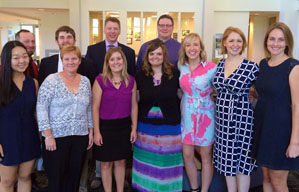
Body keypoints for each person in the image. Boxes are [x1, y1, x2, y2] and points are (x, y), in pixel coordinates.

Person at [36, 45, 93, 192]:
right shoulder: (52, 80)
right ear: (62, 60)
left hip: (80, 136)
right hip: (55, 137)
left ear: (80, 61)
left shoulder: (85, 81)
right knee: (56, 179)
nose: (70, 62)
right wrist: (47, 135)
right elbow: (41, 107)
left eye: (74, 58)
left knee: (74, 177)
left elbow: (90, 107)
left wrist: (90, 131)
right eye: (66, 59)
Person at [252, 22, 299, 191]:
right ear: (266, 41)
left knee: (278, 181)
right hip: (263, 127)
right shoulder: (263, 64)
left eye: (280, 40)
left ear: (287, 43)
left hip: (281, 131)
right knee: (266, 178)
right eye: (272, 39)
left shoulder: (293, 66)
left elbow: (297, 105)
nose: (275, 43)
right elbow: (262, 93)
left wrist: (295, 142)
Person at [132, 39, 183, 192]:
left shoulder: (174, 73)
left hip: (170, 128)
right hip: (145, 129)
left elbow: (182, 96)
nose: (155, 57)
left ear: (164, 55)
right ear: (147, 56)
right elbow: (135, 101)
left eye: (159, 54)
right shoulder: (140, 75)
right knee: (147, 163)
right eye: (152, 54)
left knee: (167, 163)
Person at [212, 27, 259, 191]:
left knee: (242, 161)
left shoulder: (251, 66)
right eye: (231, 40)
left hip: (242, 118)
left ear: (243, 44)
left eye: (239, 41)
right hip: (222, 120)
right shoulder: (219, 64)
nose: (235, 44)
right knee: (227, 161)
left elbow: (263, 91)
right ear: (224, 43)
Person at [92, 47, 137, 192]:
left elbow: (134, 106)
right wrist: (96, 132)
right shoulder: (100, 81)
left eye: (119, 58)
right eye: (112, 59)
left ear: (123, 61)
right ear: (107, 63)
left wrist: (134, 128)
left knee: (121, 162)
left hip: (123, 127)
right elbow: (94, 108)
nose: (116, 62)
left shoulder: (131, 81)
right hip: (105, 127)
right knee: (105, 164)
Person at [0, 41, 41, 192]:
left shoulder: (33, 83)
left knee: (25, 177)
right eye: (16, 58)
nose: (22, 61)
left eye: (25, 56)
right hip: (6, 139)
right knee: (7, 181)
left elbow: (36, 113)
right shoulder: (1, 83)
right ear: (7, 60)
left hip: (29, 136)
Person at [178, 33, 216, 192]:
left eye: (195, 44)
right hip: (187, 114)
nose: (192, 48)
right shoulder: (181, 66)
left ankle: (205, 190)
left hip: (205, 115)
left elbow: (218, 89)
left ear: (201, 47)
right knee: (187, 155)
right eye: (188, 45)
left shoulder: (212, 67)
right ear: (184, 49)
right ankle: (195, 188)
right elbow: (180, 90)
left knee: (206, 156)